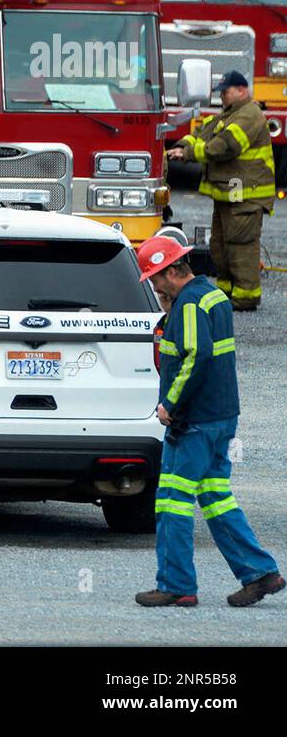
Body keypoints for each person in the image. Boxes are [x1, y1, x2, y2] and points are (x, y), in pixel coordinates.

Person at [134, 235, 283, 608]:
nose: (153, 286)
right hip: (221, 415)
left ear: (171, 272)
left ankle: (176, 584)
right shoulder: (211, 295)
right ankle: (260, 574)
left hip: (194, 420)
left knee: (172, 499)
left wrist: (170, 404)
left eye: (154, 278)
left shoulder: (188, 303)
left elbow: (195, 357)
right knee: (216, 496)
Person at [168, 71, 275, 310]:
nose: (222, 97)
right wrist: (181, 146)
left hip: (247, 195)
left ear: (241, 90)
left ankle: (246, 298)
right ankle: (226, 292)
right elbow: (202, 133)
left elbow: (225, 146)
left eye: (225, 92)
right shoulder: (229, 114)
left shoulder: (249, 116)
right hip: (231, 194)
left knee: (240, 245)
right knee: (220, 245)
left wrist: (188, 154)